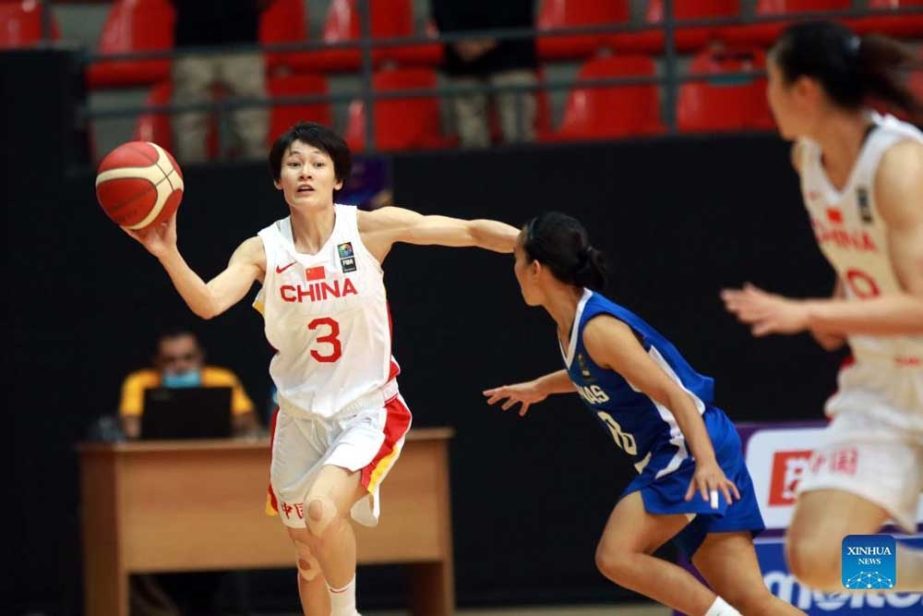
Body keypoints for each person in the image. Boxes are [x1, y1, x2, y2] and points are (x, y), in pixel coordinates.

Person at [122, 121, 518, 616]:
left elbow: (467, 231)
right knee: (307, 556)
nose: (304, 171)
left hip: (365, 411)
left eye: (316, 163)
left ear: (337, 179)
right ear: (278, 181)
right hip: (298, 420)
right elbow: (207, 302)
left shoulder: (369, 229)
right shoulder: (263, 249)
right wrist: (168, 252)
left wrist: (528, 241)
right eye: (293, 164)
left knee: (322, 510)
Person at [484, 212, 803, 615]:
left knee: (616, 556)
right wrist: (542, 387)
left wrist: (704, 463)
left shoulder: (599, 328)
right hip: (707, 443)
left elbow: (676, 395)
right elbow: (590, 372)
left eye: (515, 259)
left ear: (535, 269)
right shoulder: (574, 323)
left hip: (687, 449)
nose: (511, 270)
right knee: (752, 601)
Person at [722, 20, 923, 592]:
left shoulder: (900, 165)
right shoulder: (807, 162)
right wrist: (843, 299)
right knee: (816, 558)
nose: (766, 97)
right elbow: (854, 248)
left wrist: (813, 314)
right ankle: (919, 573)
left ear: (804, 90)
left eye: (771, 81)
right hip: (884, 384)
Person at [170, 0, 270, 162]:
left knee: (252, 130)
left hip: (241, 42)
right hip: (194, 44)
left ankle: (258, 182)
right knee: (189, 130)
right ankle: (191, 183)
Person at [119, 327, 259, 439]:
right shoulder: (138, 382)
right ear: (156, 361)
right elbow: (131, 429)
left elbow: (249, 420)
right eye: (170, 360)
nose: (180, 366)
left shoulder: (222, 379)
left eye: (188, 357)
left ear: (201, 356)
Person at [432, 0, 538, 148]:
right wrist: (458, 40)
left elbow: (519, 8)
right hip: (463, 62)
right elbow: (440, 9)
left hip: (512, 58)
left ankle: (522, 169)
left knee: (518, 135)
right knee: (471, 138)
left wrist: (484, 42)